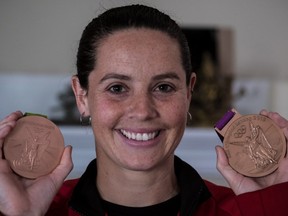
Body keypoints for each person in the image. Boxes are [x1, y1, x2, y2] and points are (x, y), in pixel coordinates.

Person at [1, 4, 288, 216]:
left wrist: (272, 205)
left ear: (189, 92)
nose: (142, 111)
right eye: (117, 88)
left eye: (163, 87)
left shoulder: (252, 209)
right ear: (81, 95)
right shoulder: (34, 210)